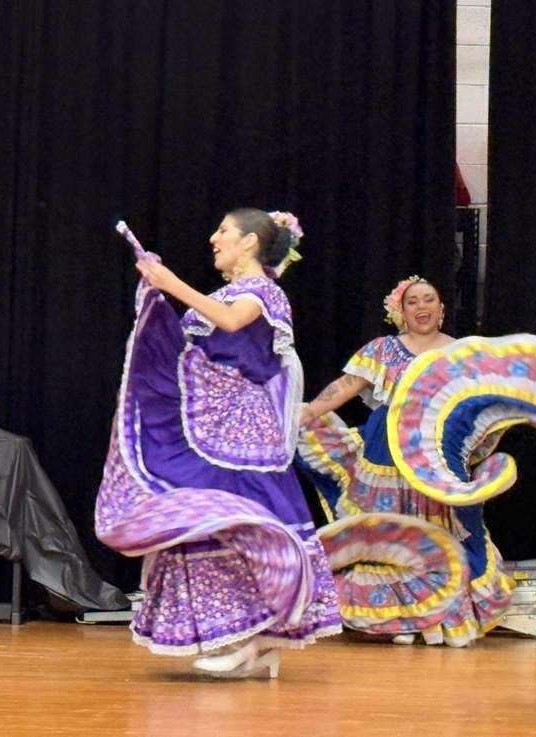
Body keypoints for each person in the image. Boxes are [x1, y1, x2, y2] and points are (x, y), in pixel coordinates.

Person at [96, 208, 343, 679]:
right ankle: (251, 640)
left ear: (249, 242)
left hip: (243, 431)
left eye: (224, 230)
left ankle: (258, 637)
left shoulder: (264, 292)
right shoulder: (224, 294)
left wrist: (170, 283)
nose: (214, 237)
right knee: (210, 518)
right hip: (210, 422)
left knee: (245, 520)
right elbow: (185, 351)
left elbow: (231, 323)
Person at [297, 276, 516, 646]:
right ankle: (401, 619)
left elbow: (484, 405)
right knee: (393, 533)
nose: (422, 307)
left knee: (437, 533)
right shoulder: (383, 351)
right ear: (401, 312)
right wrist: (304, 415)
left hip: (435, 458)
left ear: (442, 309)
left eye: (429, 299)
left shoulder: (462, 353)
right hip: (385, 456)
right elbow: (345, 387)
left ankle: (441, 615)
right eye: (412, 301)